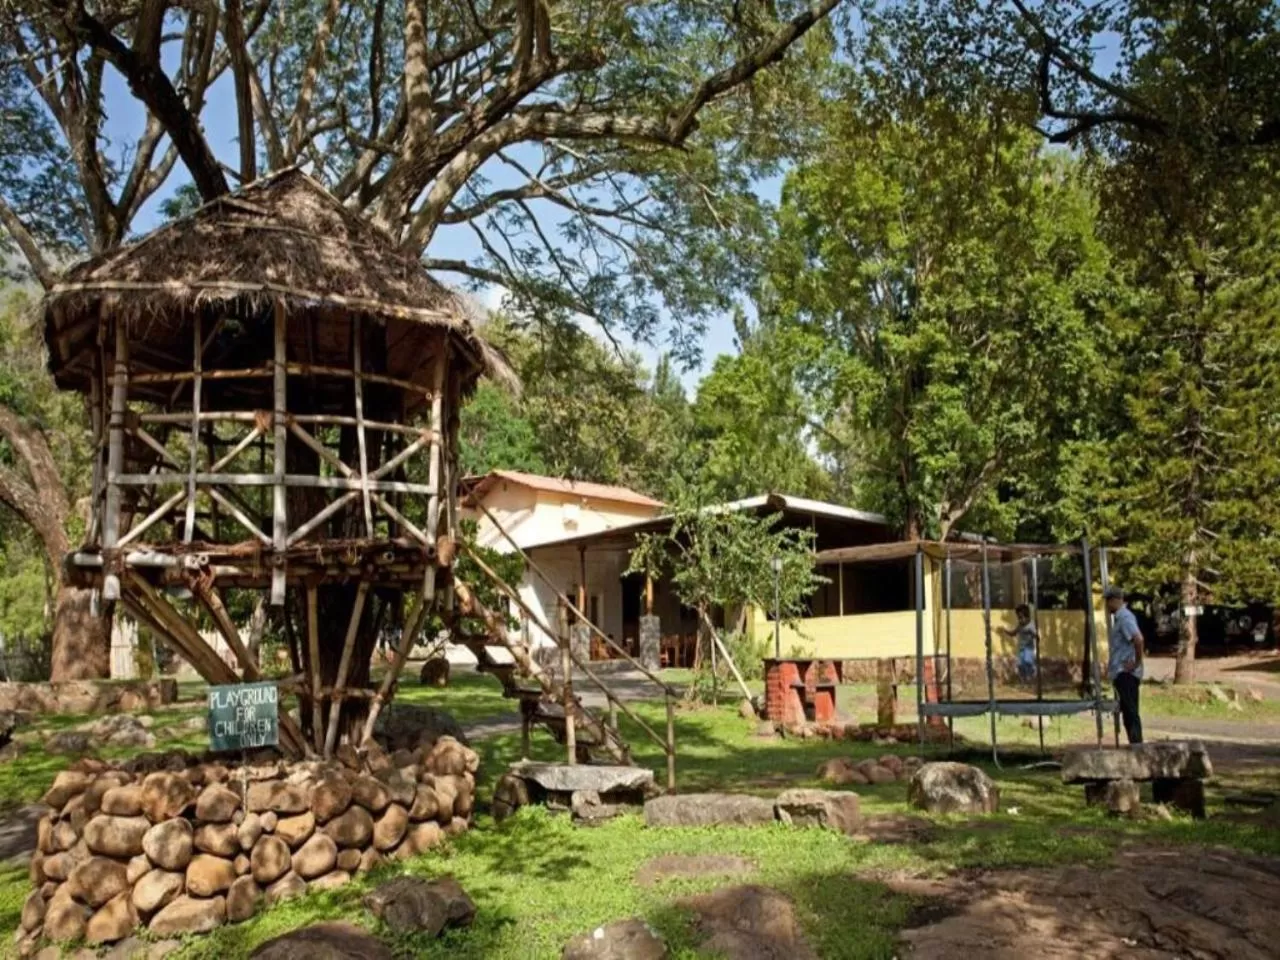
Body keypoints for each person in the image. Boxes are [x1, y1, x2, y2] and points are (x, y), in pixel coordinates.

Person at [1105, 586, 1144, 743]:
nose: (1107, 606)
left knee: (1130, 711)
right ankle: (1134, 744)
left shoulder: (1125, 618)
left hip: (1126, 673)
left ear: (1115, 600)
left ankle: (1137, 745)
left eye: (1108, 602)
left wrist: (1137, 662)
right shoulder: (1120, 618)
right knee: (1127, 711)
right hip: (1120, 672)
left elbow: (1138, 639)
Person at [998, 604, 1039, 682]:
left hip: (1029, 647)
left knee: (1027, 661)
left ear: (1027, 617)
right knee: (1020, 665)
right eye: (1018, 618)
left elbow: (1036, 636)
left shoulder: (1031, 625)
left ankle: (1033, 670)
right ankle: (1025, 678)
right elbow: (1013, 633)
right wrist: (1005, 630)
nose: (1020, 620)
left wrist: (1033, 634)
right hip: (1021, 648)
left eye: (1021, 617)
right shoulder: (1020, 625)